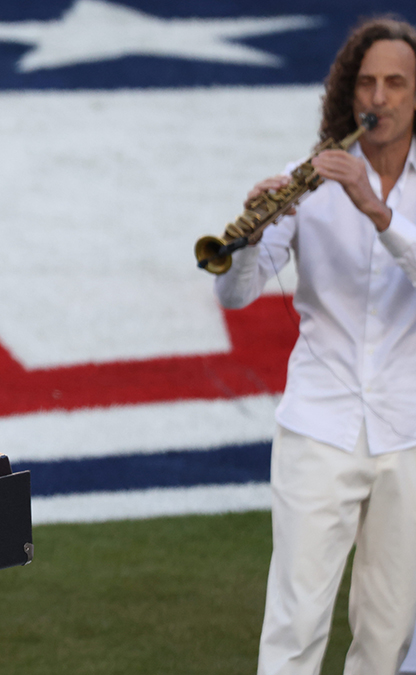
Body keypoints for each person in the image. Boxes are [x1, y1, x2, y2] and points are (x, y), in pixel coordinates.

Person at [213, 16, 416, 675]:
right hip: (318, 428)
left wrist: (378, 213)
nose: (377, 99)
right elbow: (237, 297)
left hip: (408, 433)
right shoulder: (308, 179)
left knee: (386, 636)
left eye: (394, 83)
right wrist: (245, 242)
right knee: (295, 630)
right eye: (366, 83)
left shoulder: (371, 191)